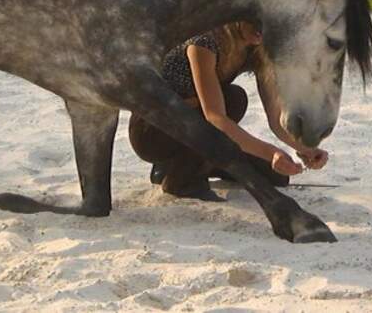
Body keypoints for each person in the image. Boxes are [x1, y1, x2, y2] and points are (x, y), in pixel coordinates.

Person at [128, 21, 330, 201]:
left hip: (195, 125)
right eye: (256, 20)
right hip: (153, 131)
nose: (262, 30)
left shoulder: (258, 47)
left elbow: (275, 118)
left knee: (276, 176)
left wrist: (305, 149)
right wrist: (271, 152)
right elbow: (215, 117)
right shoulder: (204, 42)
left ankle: (182, 166)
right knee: (234, 99)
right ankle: (180, 181)